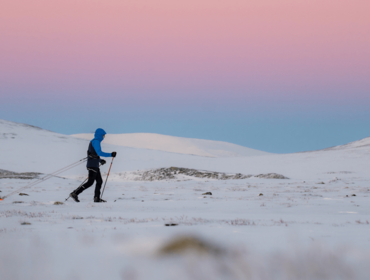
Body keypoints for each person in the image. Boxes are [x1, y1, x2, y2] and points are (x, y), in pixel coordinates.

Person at [69, 128, 116, 203]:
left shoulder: (95, 141)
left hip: (94, 164)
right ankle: (75, 193)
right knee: (90, 182)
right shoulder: (96, 141)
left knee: (99, 181)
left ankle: (96, 198)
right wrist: (110, 154)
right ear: (100, 135)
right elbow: (99, 153)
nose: (104, 137)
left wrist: (100, 160)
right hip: (92, 165)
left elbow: (94, 154)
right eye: (103, 135)